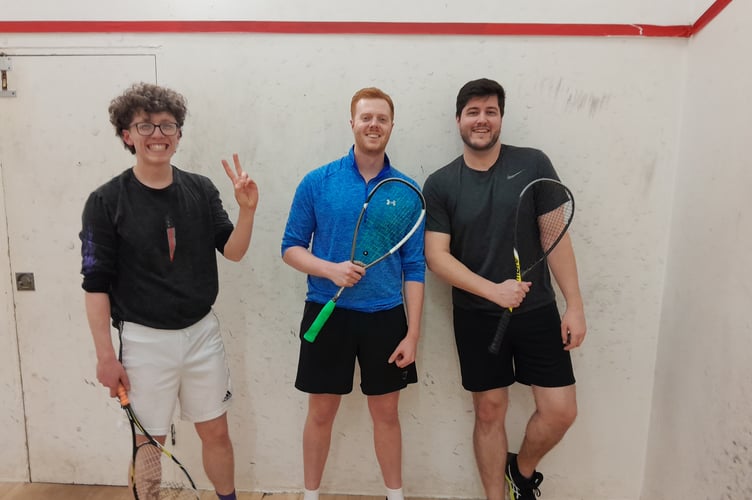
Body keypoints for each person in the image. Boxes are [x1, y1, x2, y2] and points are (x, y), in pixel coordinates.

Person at [80, 82, 258, 500]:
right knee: (148, 443)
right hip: (143, 341)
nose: (157, 134)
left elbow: (232, 251)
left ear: (179, 134)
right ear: (127, 135)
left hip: (202, 335)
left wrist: (247, 210)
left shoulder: (202, 189)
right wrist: (106, 356)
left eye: (167, 125)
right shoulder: (105, 202)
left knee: (216, 432)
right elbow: (95, 285)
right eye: (145, 125)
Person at [422, 78, 586, 500]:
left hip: (538, 313)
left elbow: (555, 238)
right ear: (458, 119)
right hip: (477, 317)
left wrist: (575, 306)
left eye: (490, 111)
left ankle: (521, 471)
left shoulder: (533, 165)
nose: (482, 120)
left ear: (500, 119)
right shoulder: (440, 184)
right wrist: (493, 291)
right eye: (473, 112)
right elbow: (437, 257)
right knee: (489, 411)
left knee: (560, 411)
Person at [281, 87, 424, 500]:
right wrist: (331, 269)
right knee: (321, 413)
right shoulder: (317, 181)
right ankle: (311, 495)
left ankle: (394, 496)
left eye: (381, 118)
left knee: (387, 414)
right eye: (366, 118)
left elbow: (414, 267)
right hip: (326, 313)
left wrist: (412, 333)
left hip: (386, 318)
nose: (373, 125)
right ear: (352, 123)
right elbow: (290, 248)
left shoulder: (406, 190)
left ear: (391, 126)